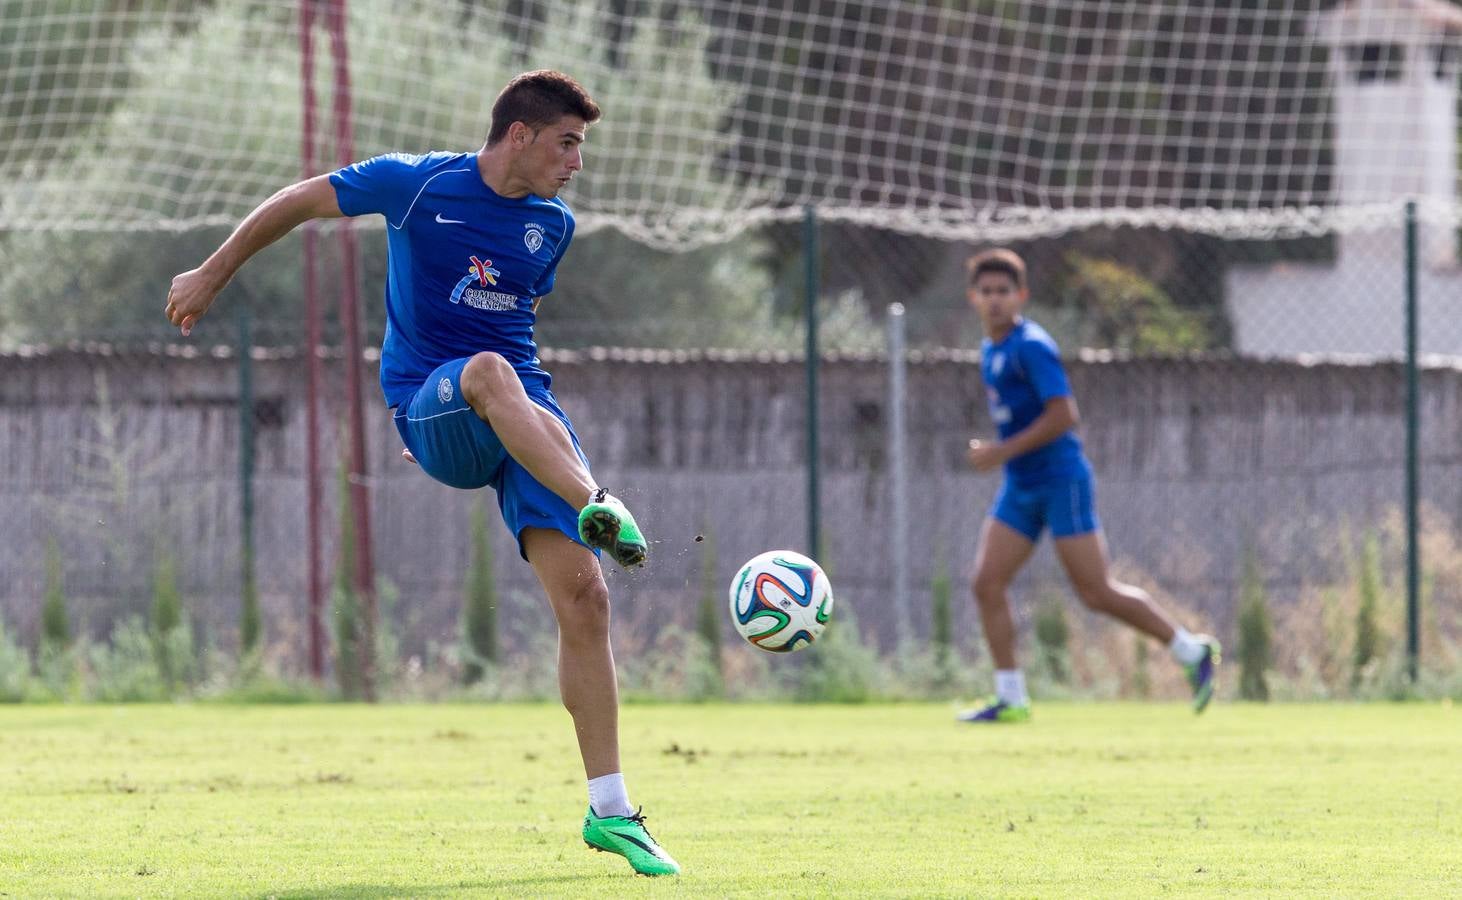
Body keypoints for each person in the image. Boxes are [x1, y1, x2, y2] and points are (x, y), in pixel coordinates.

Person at [164, 70, 678, 876]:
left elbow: (518, 330)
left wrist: (489, 426)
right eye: (568, 143)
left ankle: (610, 810)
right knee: (485, 373)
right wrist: (213, 272)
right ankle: (599, 501)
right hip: (436, 398)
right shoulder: (415, 184)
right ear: (520, 135)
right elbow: (300, 199)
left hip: (512, 415)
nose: (577, 161)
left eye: (581, 146)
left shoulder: (553, 225)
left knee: (586, 599)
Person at [958, 248, 1219, 723]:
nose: (995, 300)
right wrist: (1002, 454)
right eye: (986, 292)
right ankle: (1011, 697)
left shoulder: (1031, 346)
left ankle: (1190, 651)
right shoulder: (990, 350)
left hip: (1061, 480)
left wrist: (999, 451)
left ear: (1022, 296)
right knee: (986, 583)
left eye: (1004, 291)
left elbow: (1064, 414)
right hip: (1021, 484)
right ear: (972, 297)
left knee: (1096, 592)